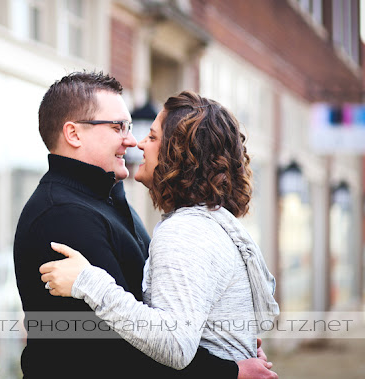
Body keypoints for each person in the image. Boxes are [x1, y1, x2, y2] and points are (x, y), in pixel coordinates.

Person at [14, 73, 277, 378]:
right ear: (73, 134)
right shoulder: (62, 214)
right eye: (117, 127)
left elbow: (158, 317)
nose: (131, 140)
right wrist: (227, 369)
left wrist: (230, 345)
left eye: (136, 130)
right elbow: (118, 345)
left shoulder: (108, 200)